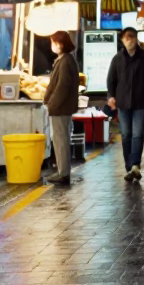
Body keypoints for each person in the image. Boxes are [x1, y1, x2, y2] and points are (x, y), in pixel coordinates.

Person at [105, 27, 144, 181]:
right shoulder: (117, 59)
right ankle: (129, 167)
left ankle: (135, 164)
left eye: (132, 37)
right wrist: (111, 96)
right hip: (122, 102)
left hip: (141, 102)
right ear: (122, 40)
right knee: (126, 135)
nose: (129, 40)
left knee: (137, 134)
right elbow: (111, 80)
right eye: (126, 37)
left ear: (136, 39)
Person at [42, 30, 81, 185]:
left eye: (53, 42)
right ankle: (61, 171)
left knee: (60, 139)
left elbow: (62, 86)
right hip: (62, 107)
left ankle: (63, 173)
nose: (52, 45)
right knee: (60, 139)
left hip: (61, 108)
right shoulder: (64, 59)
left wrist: (52, 104)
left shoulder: (65, 61)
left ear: (60, 44)